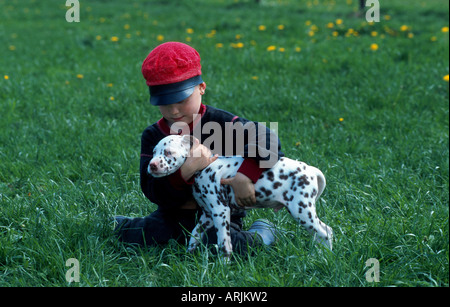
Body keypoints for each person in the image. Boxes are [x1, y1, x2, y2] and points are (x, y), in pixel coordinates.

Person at [114, 42, 284, 255]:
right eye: (165, 102)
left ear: (201, 87)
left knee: (215, 244)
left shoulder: (223, 124)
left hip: (221, 213)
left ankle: (262, 234)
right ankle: (125, 226)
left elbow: (269, 139)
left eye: (182, 99)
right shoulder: (154, 136)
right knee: (158, 233)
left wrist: (246, 175)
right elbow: (152, 190)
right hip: (174, 213)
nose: (174, 110)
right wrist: (187, 170)